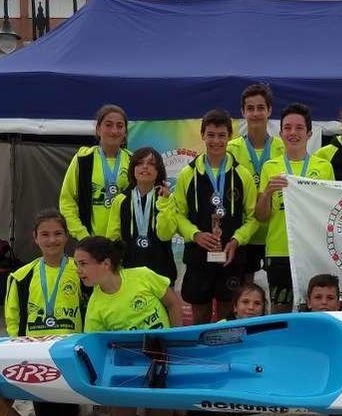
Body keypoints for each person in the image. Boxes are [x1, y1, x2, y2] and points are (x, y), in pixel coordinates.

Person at [74, 236, 184, 416]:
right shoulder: (95, 306)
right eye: (76, 264)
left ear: (106, 263)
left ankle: (176, 404)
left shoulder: (142, 275)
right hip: (127, 364)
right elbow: (97, 348)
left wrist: (177, 341)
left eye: (83, 264)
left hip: (161, 356)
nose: (78, 270)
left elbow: (173, 303)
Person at [174, 109, 259, 324]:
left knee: (227, 318)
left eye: (221, 135)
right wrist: (194, 234)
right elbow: (178, 214)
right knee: (200, 318)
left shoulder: (243, 175)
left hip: (231, 257)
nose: (216, 141)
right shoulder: (187, 174)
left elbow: (253, 218)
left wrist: (237, 240)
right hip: (198, 257)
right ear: (202, 135)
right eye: (211, 135)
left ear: (230, 136)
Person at [5, 209, 84, 416]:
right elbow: (13, 318)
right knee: (46, 414)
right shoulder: (20, 276)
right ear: (35, 237)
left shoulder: (80, 271)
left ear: (67, 236)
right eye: (45, 234)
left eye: (58, 234)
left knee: (70, 414)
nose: (52, 240)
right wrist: (20, 348)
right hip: (37, 352)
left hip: (70, 350)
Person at [256, 103, 335, 314]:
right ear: (280, 133)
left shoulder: (323, 167)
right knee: (279, 311)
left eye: (299, 128)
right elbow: (261, 217)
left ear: (309, 133)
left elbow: (330, 212)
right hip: (279, 251)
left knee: (314, 310)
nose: (293, 132)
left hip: (312, 250)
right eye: (288, 128)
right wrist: (267, 194)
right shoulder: (270, 167)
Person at [227, 84, 285, 283]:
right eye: (250, 108)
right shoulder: (230, 149)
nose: (256, 113)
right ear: (243, 112)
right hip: (245, 232)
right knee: (245, 294)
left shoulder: (283, 147)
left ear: (269, 110)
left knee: (278, 294)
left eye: (261, 108)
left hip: (274, 232)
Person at [106, 147, 178, 285]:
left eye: (151, 164)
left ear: (159, 171)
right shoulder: (120, 200)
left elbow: (165, 234)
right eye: (139, 163)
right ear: (133, 169)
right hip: (129, 272)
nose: (145, 167)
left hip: (161, 273)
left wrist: (163, 203)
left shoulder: (167, 198)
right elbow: (113, 238)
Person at [60, 104, 131, 240]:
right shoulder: (83, 159)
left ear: (125, 132)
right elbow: (67, 201)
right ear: (98, 129)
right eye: (108, 125)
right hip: (89, 242)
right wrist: (82, 235)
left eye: (120, 126)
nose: (114, 131)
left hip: (123, 243)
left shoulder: (132, 161)